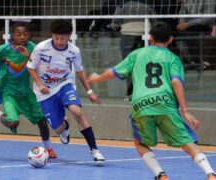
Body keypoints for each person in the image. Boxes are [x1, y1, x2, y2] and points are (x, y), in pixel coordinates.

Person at [87, 22, 216, 179]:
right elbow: (176, 82)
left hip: (141, 105)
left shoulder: (137, 54)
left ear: (150, 38)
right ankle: (210, 174)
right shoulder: (173, 59)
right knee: (187, 142)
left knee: (140, 142)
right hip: (166, 104)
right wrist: (186, 111)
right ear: (170, 39)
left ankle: (160, 175)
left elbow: (114, 72)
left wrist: (97, 78)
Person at [25, 19, 105, 164]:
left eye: (63, 38)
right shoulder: (41, 48)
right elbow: (30, 67)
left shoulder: (74, 51)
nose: (59, 41)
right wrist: (40, 84)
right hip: (45, 92)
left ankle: (95, 150)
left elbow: (80, 71)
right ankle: (65, 126)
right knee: (58, 129)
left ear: (69, 36)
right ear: (52, 35)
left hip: (64, 84)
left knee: (77, 112)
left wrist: (89, 91)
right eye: (56, 37)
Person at [0, 22, 57, 159]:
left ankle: (49, 148)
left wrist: (28, 56)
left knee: (42, 121)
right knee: (13, 123)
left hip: (26, 92)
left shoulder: (34, 48)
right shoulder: (3, 50)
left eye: (25, 34)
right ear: (13, 35)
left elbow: (41, 65)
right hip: (9, 93)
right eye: (19, 34)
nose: (22, 37)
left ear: (30, 35)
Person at [111, 0, 155, 100]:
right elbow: (154, 20)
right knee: (144, 64)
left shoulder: (123, 4)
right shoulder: (148, 4)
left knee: (129, 65)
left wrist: (115, 26)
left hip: (128, 35)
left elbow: (115, 22)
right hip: (145, 36)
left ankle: (131, 93)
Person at [176, 0, 215, 70]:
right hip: (189, 26)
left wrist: (188, 24)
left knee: (193, 34)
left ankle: (194, 61)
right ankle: (190, 61)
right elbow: (182, 13)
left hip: (204, 26)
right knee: (177, 35)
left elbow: (209, 18)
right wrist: (181, 23)